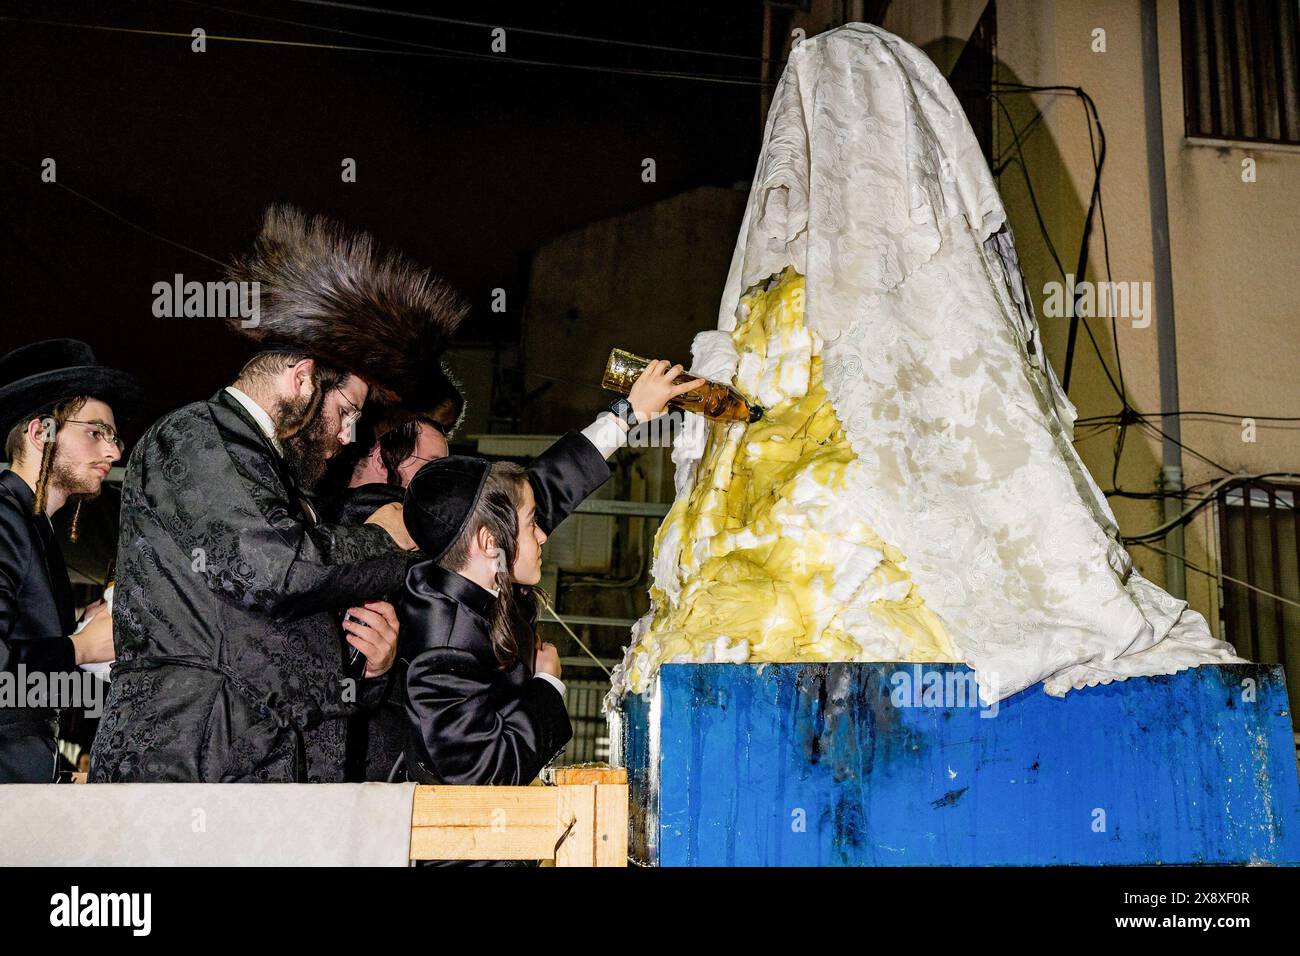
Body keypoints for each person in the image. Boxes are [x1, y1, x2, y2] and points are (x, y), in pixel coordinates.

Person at [89, 205, 468, 782]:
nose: (348, 436)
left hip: (255, 773)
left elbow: (280, 635)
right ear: (302, 378)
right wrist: (384, 542)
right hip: (190, 771)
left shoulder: (275, 476)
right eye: (346, 412)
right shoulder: (196, 437)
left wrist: (365, 670)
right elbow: (275, 569)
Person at [396, 360, 700, 792]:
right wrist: (548, 685)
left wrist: (628, 414)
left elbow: (548, 487)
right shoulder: (443, 650)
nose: (543, 533)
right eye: (531, 524)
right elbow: (488, 774)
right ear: (489, 542)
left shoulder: (472, 566)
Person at [0, 339, 138, 782]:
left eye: (114, 437)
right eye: (95, 432)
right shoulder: (4, 519)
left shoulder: (32, 525)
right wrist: (80, 647)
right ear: (42, 433)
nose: (114, 452)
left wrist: (81, 627)